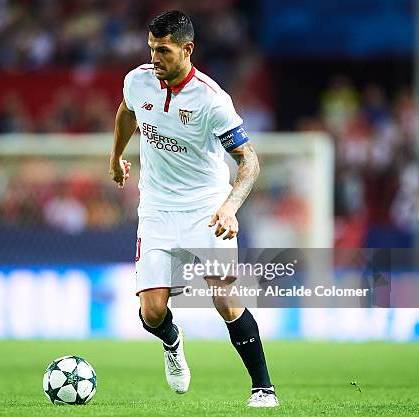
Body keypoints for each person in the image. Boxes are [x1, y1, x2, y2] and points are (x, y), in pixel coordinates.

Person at [109, 10, 279, 408]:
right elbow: (126, 112)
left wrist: (230, 206)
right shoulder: (138, 81)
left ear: (187, 50)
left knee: (225, 298)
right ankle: (172, 341)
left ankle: (263, 388)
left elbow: (249, 160)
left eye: (163, 51)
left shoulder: (212, 99)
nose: (155, 58)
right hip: (156, 209)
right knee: (151, 313)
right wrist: (115, 158)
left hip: (206, 208)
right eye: (151, 49)